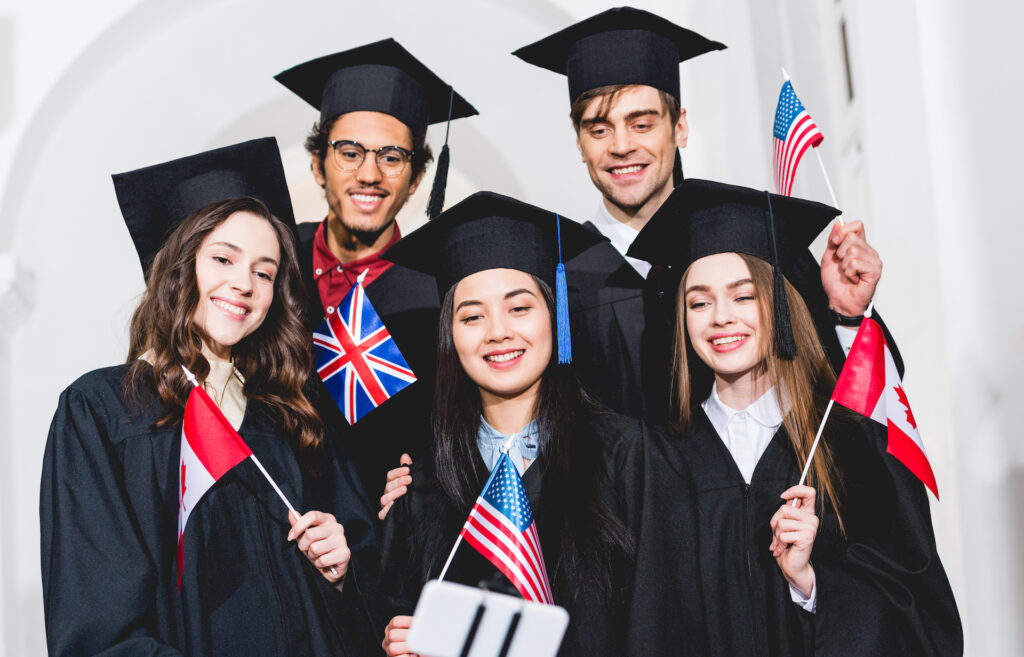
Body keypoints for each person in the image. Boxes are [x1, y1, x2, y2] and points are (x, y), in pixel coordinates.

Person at [40, 138, 381, 656]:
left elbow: (357, 607)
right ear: (178, 266)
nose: (243, 283)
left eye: (265, 272)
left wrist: (338, 570)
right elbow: (99, 630)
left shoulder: (291, 414)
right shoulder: (102, 411)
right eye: (223, 258)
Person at [623, 178, 962, 656]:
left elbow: (914, 602)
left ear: (781, 303)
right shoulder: (655, 460)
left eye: (744, 296)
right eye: (699, 302)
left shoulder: (845, 443)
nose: (720, 317)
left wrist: (809, 584)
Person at [514, 7, 896, 422]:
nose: (620, 146)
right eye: (599, 129)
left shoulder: (761, 244)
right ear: (579, 142)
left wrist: (846, 316)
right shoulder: (556, 283)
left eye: (641, 124)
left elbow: (855, 416)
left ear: (680, 127)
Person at [374, 192, 658, 657]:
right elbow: (395, 608)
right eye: (471, 316)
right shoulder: (419, 489)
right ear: (450, 337)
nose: (498, 331)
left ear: (555, 315)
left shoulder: (630, 457)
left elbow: (663, 625)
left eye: (519, 307)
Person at [275, 39, 478, 506]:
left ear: (416, 180)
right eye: (349, 152)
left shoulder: (441, 293)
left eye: (391, 157)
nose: (369, 174)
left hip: (381, 538)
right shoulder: (273, 263)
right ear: (318, 165)